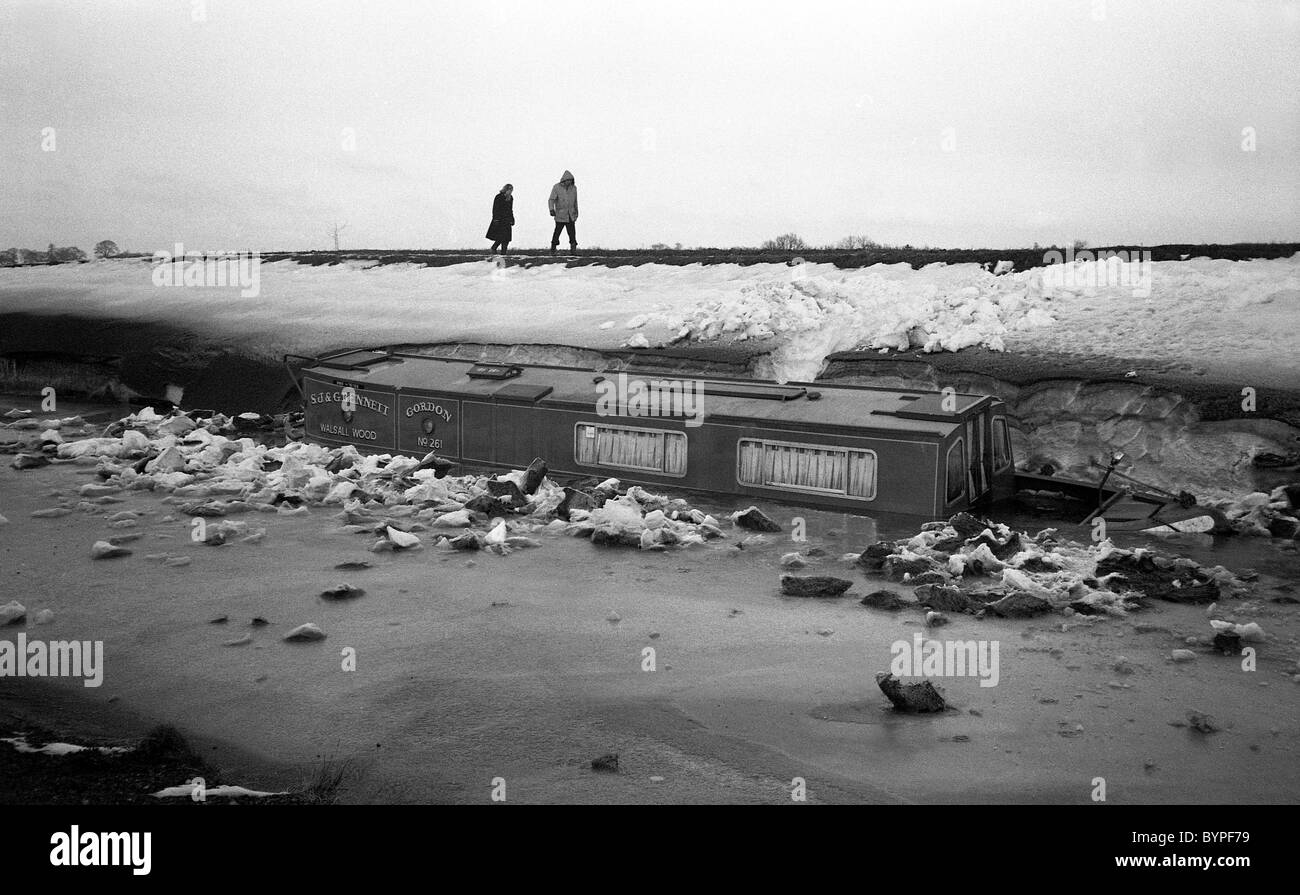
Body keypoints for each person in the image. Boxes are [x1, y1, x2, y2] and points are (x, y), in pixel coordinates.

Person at [547, 170, 578, 253]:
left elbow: (575, 201)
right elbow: (551, 199)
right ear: (564, 180)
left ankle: (573, 249)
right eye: (568, 180)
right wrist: (551, 209)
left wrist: (576, 213)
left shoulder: (574, 188)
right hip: (560, 215)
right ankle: (553, 248)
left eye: (571, 180)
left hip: (571, 215)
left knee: (572, 233)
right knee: (557, 232)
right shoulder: (556, 187)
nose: (570, 182)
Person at [485, 183, 515, 255]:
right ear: (506, 189)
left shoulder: (510, 198)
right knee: (501, 237)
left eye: (511, 190)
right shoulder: (498, 197)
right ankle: (494, 248)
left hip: (507, 220)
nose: (510, 191)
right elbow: (495, 208)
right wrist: (495, 218)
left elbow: (510, 209)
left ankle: (503, 253)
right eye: (509, 190)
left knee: (506, 238)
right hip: (500, 219)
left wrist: (512, 218)